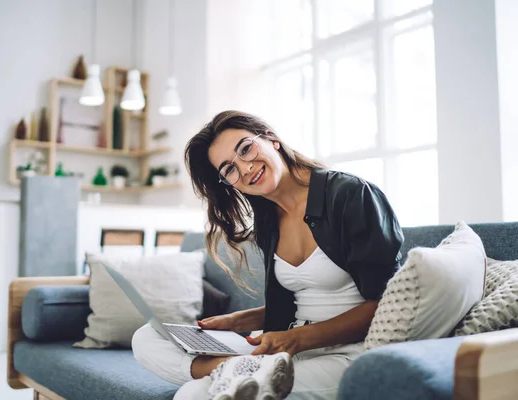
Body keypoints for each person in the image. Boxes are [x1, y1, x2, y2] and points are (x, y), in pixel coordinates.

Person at [132, 110, 404, 400]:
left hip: (347, 354)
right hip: (285, 352)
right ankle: (233, 368)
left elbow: (387, 305)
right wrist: (237, 322)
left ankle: (238, 370)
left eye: (246, 149)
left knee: (193, 396)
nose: (245, 168)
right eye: (229, 169)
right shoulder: (267, 217)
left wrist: (294, 340)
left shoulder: (351, 195)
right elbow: (294, 305)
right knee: (147, 337)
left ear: (271, 139)